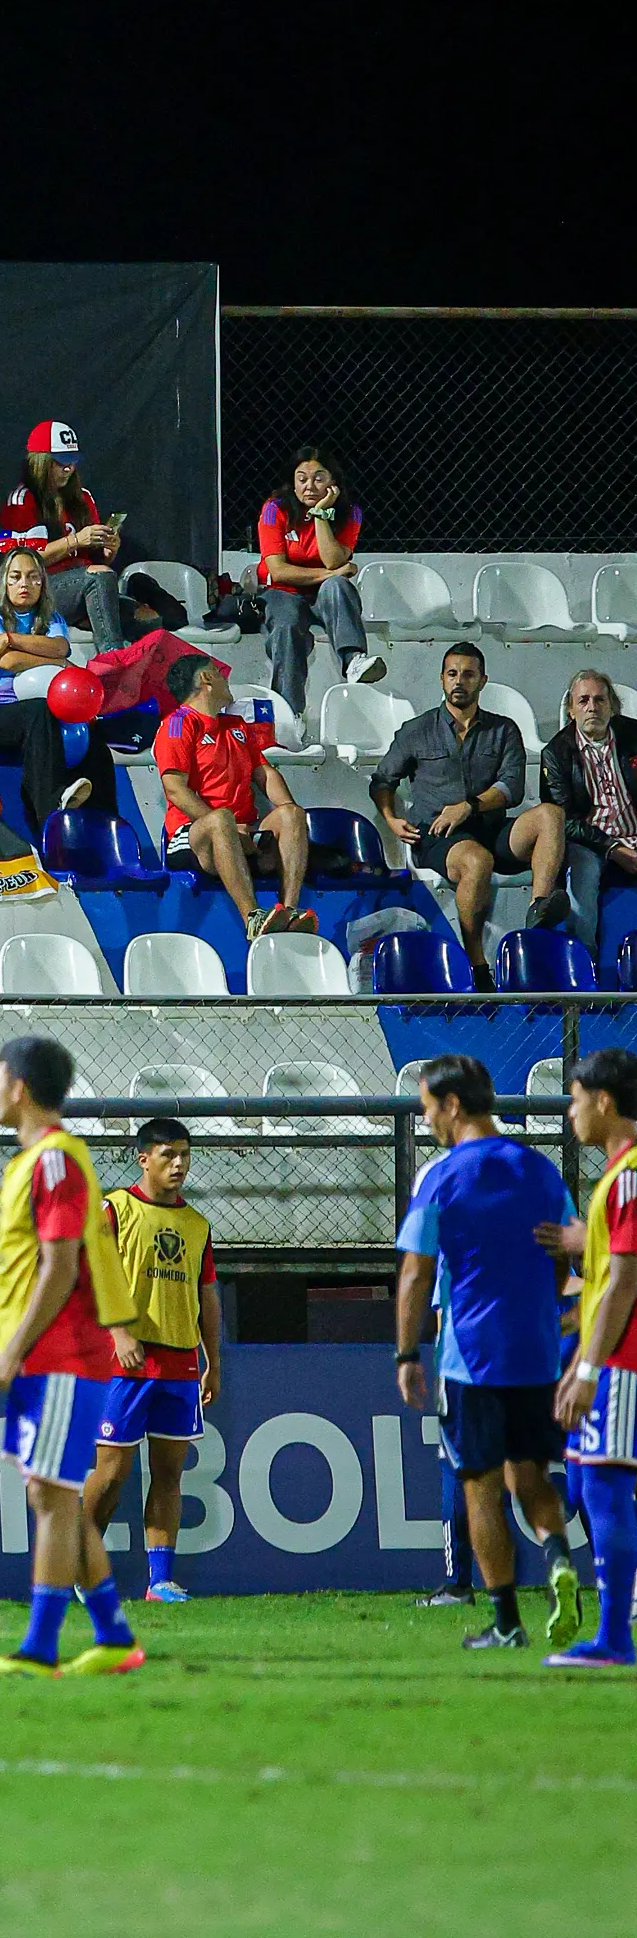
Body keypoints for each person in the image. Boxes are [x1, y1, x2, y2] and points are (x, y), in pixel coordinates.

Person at [0, 1036, 144, 1679]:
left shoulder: (57, 1160)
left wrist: (12, 1352)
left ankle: (40, 1648)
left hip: (63, 1352)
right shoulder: (34, 1162)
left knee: (52, 1495)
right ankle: (114, 1635)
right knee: (54, 1494)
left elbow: (61, 1265)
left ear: (18, 1086)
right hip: (47, 1357)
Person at [392, 1053, 580, 1652]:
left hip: (471, 1354)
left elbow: (417, 1274)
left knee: (479, 1486)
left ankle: (505, 1622)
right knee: (532, 1475)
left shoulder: (441, 1177)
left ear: (451, 1105)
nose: (425, 1122)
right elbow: (564, 1253)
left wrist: (405, 1352)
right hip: (537, 1351)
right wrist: (546, 1320)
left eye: (426, 1109)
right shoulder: (542, 1171)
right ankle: (558, 1560)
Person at [370, 642, 569, 988]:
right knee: (477, 861)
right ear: (442, 679)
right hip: (438, 835)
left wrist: (470, 806)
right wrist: (390, 818)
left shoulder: (503, 729)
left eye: (468, 674)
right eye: (452, 674)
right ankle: (477, 964)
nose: (459, 681)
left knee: (550, 814)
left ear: (482, 680)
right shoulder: (417, 729)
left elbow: (512, 787)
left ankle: (539, 908)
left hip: (490, 827)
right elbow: (382, 781)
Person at [82, 1119, 221, 1604]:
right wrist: (118, 1331)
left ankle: (160, 1581)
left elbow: (207, 1294)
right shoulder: (115, 1209)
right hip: (125, 1363)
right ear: (143, 1159)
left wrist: (213, 1360)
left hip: (180, 1363)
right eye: (168, 1155)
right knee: (111, 1474)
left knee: (169, 1474)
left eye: (184, 1154)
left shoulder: (197, 1224)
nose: (179, 1164)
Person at [539, 1048, 637, 1667]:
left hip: (622, 1361)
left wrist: (587, 1368)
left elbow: (624, 1282)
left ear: (603, 1101)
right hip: (614, 1355)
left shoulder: (627, 1177)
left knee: (602, 1484)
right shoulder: (617, 1177)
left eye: (575, 1099)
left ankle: (613, 1638)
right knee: (592, 1479)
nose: (570, 1112)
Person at [152, 651, 316, 939]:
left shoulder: (237, 726)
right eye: (218, 671)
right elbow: (175, 790)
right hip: (193, 834)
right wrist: (225, 827)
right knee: (221, 820)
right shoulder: (177, 724)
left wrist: (290, 816)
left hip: (241, 833)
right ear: (206, 679)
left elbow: (265, 774)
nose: (226, 679)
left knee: (291, 815)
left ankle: (289, 913)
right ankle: (252, 917)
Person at [0, 548, 121, 833]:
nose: (24, 584)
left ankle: (108, 825)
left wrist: (9, 638)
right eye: (16, 577)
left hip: (40, 709)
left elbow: (60, 647)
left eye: (33, 577)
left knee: (94, 737)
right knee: (40, 711)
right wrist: (55, 660)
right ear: (4, 581)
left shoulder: (50, 617)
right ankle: (49, 812)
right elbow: (9, 661)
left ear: (42, 583)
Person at [255, 445, 385, 717]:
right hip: (283, 592)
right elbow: (277, 571)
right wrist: (331, 574)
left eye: (318, 478)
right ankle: (289, 715)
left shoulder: (351, 512)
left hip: (324, 595)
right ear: (292, 481)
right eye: (302, 478)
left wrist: (320, 515)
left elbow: (334, 561)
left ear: (332, 482)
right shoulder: (274, 508)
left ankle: (353, 660)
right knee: (287, 625)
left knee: (338, 586)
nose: (309, 486)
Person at [0, 419, 130, 653]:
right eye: (60, 462)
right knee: (98, 578)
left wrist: (109, 550)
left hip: (84, 586)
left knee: (147, 618)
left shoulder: (83, 498)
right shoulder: (23, 500)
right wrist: (76, 540)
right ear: (40, 462)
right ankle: (112, 662)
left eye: (73, 462)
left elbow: (98, 564)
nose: (69, 469)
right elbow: (22, 563)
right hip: (42, 589)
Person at [539, 670, 637, 955]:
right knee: (582, 876)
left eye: (599, 699)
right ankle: (585, 966)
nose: (592, 707)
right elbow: (564, 822)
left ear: (612, 706)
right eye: (583, 701)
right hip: (590, 842)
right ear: (571, 710)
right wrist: (614, 850)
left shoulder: (634, 736)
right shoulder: (555, 753)